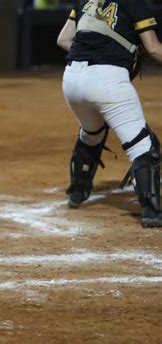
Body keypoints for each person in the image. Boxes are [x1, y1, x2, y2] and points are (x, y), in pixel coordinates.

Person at [56, 0, 162, 227]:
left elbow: (63, 40)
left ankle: (77, 192)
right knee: (143, 146)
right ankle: (151, 212)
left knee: (92, 133)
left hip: (72, 79)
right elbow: (153, 48)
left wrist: (94, 50)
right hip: (107, 79)